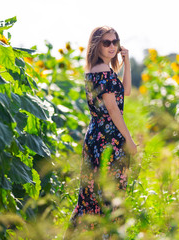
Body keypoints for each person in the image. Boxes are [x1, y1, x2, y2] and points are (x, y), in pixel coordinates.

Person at [65, 26, 137, 239]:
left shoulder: (98, 70)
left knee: (91, 195)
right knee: (108, 194)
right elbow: (114, 111)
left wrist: (127, 63)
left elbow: (126, 92)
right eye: (106, 42)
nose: (112, 46)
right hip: (108, 139)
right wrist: (130, 140)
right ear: (96, 45)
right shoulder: (103, 73)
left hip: (97, 136)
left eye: (115, 42)